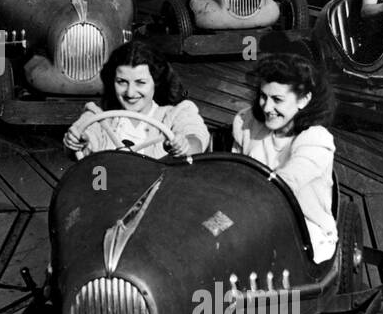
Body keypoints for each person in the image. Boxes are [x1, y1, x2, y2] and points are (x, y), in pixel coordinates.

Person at [232, 54, 337, 265]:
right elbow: (232, 172)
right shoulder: (247, 123)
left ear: (304, 100)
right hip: (249, 213)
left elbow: (287, 183)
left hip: (304, 226)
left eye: (277, 100)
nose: (266, 107)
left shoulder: (316, 138)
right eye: (263, 96)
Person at [64, 41, 209, 161]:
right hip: (104, 190)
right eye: (122, 82)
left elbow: (195, 139)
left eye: (140, 82)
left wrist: (184, 145)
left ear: (156, 82)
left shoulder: (176, 114)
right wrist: (78, 141)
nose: (130, 92)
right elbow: (85, 138)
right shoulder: (98, 116)